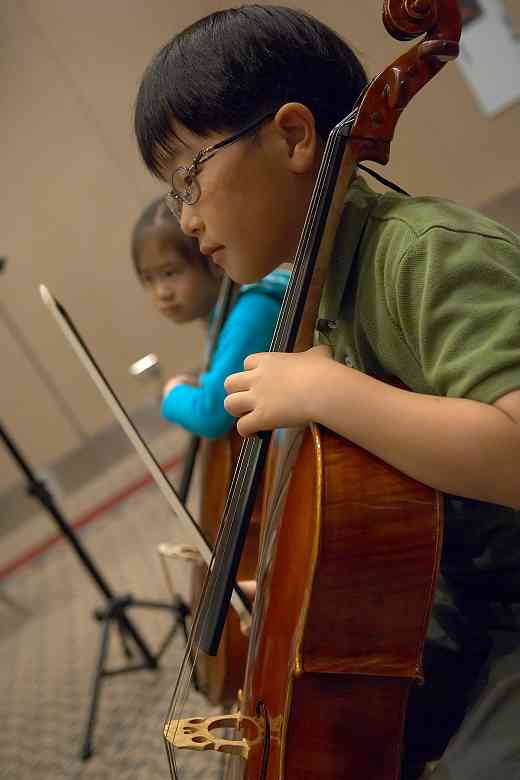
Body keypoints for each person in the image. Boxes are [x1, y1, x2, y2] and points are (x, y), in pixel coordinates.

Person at [133, 6, 520, 778]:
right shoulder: (319, 295)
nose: (186, 217)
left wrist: (326, 387)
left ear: (295, 136)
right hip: (460, 593)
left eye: (188, 177)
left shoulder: (422, 253)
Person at [131, 197, 289, 438]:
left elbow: (211, 413)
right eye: (149, 279)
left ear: (212, 260)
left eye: (170, 273)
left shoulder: (252, 311)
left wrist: (172, 392)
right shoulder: (224, 316)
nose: (161, 292)